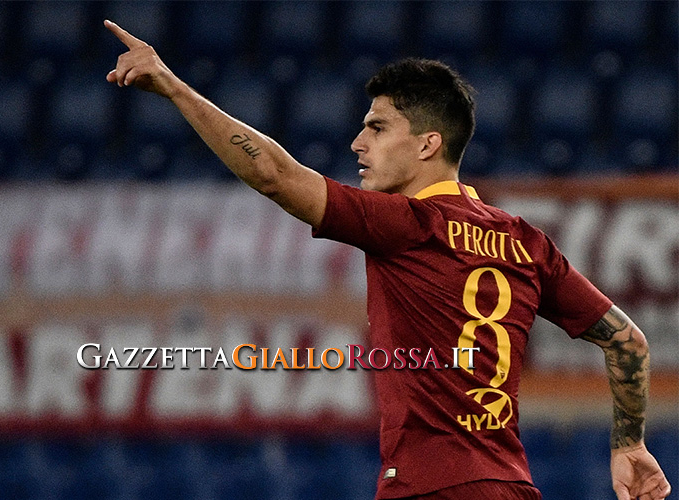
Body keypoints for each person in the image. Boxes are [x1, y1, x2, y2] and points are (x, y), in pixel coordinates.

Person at [103, 20, 672, 500]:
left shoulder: (408, 225)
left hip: (430, 487)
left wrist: (173, 87)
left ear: (427, 144)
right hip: (511, 485)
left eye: (377, 127)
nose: (358, 143)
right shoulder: (528, 243)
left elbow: (274, 174)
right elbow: (628, 342)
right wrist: (630, 445)